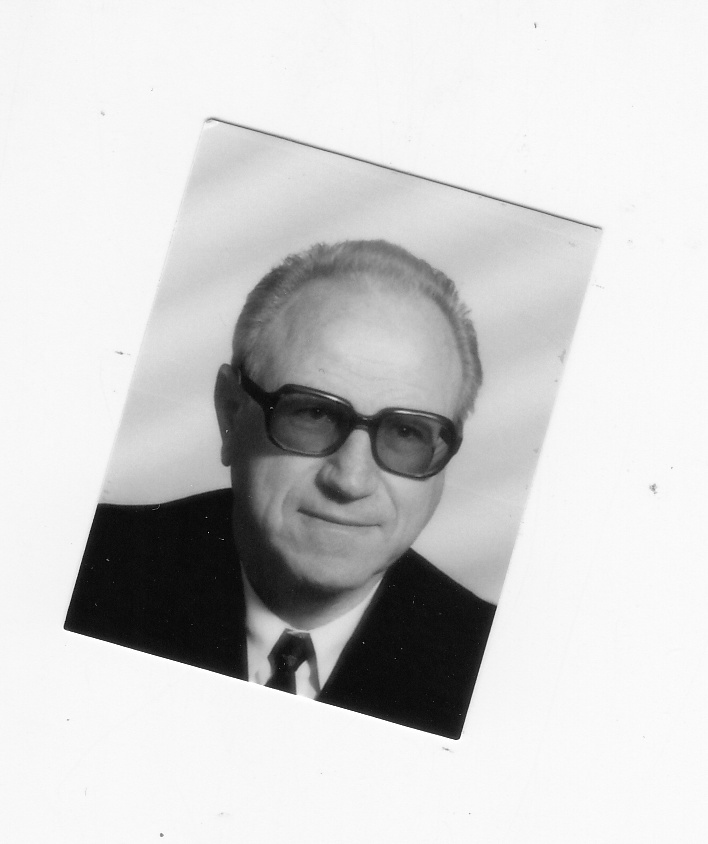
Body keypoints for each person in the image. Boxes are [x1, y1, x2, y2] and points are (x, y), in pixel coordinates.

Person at [65, 240, 496, 739]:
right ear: (230, 412)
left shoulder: (492, 667)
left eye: (406, 433)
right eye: (312, 414)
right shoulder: (78, 568)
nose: (350, 480)